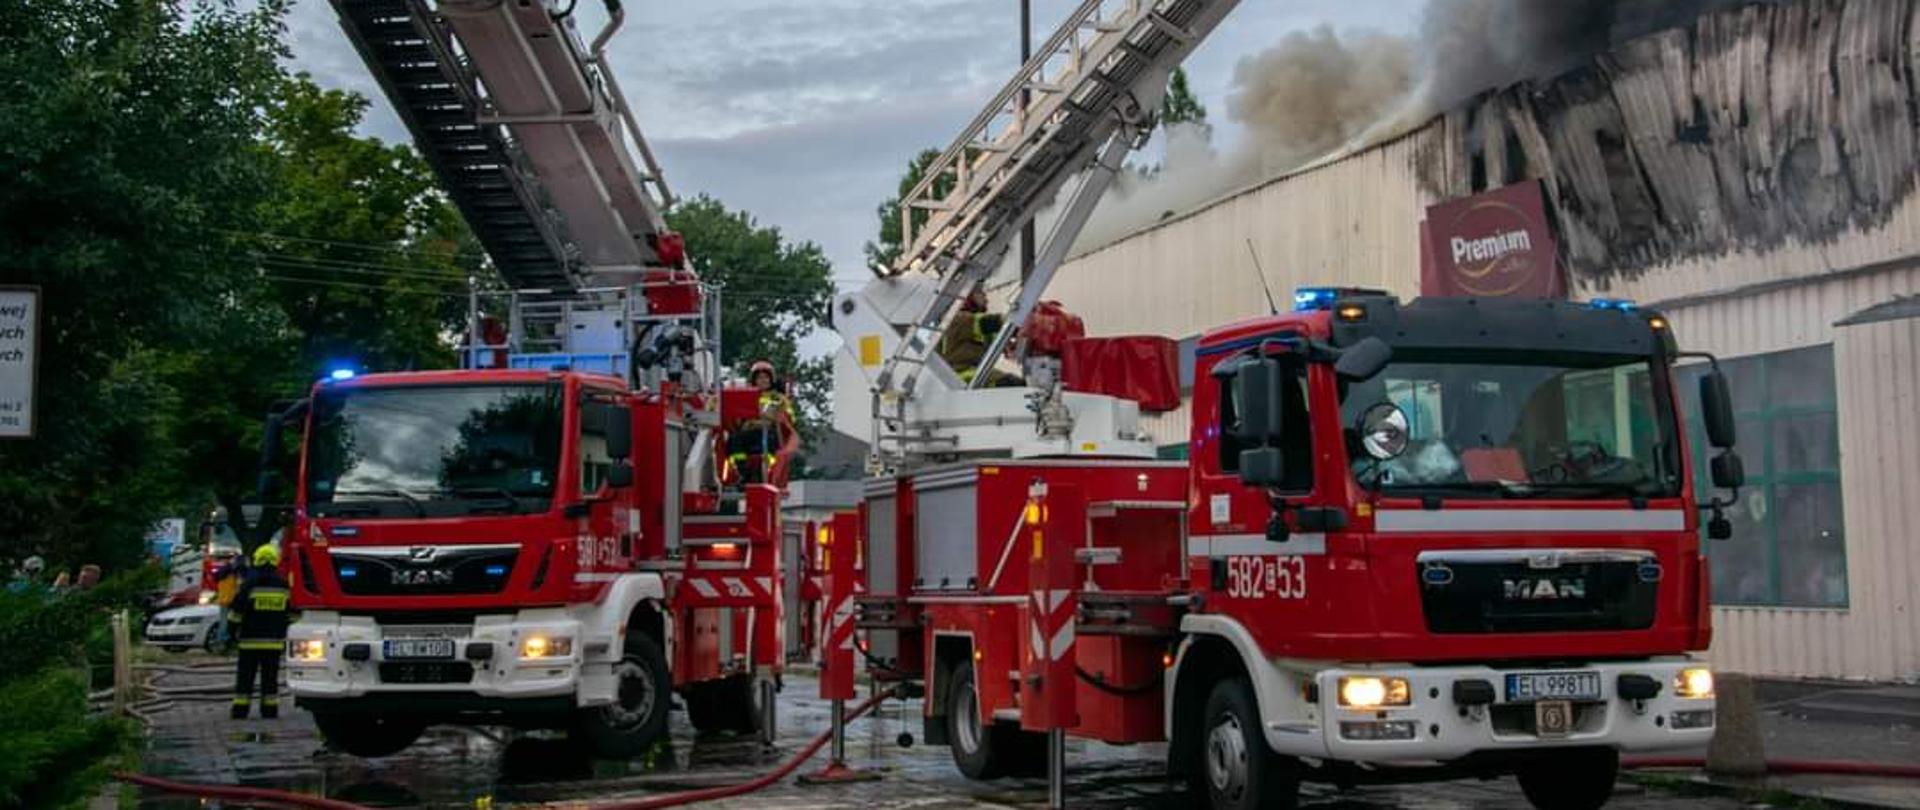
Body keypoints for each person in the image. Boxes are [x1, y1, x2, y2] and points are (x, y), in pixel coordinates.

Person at [229, 545, 291, 719]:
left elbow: (236, 613)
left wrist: (232, 633)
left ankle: (240, 710)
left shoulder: (249, 584)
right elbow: (292, 614)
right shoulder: (283, 585)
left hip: (249, 641)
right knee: (270, 678)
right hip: (274, 642)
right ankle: (270, 710)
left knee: (245, 677)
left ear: (257, 560)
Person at [725, 360, 798, 485]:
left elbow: (790, 418)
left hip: (769, 432)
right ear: (754, 380)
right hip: (748, 431)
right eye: (759, 378)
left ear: (771, 380)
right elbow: (737, 416)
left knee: (769, 445)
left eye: (765, 377)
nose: (763, 381)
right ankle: (743, 471)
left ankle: (767, 473)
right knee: (733, 440)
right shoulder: (746, 396)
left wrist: (779, 416)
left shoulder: (779, 398)